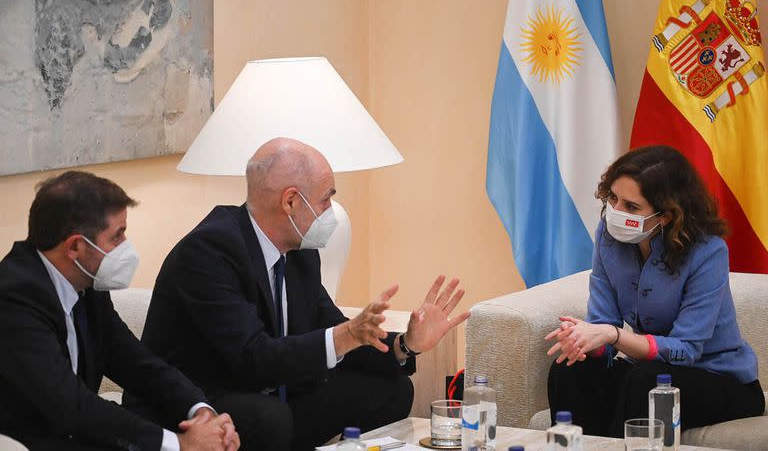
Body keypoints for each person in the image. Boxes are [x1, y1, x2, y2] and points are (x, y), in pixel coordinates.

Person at [135, 137, 470, 451]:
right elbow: (253, 359)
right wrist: (342, 337)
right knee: (270, 417)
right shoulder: (209, 252)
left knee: (391, 389)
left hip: (269, 394)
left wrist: (404, 344)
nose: (330, 209)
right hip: (198, 403)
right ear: (291, 200)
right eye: (326, 198)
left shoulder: (299, 250)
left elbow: (330, 326)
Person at [0, 171, 240, 451]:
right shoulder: (14, 298)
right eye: (117, 236)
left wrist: (199, 411)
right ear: (75, 246)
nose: (126, 246)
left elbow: (134, 361)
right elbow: (70, 404)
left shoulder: (85, 284)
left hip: (79, 433)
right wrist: (180, 443)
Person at [545, 145, 765, 437]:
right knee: (571, 369)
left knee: (648, 381)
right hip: (647, 373)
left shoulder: (708, 252)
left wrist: (614, 335)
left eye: (632, 207)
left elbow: (685, 350)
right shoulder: (608, 237)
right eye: (613, 198)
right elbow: (604, 326)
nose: (616, 212)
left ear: (666, 215)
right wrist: (585, 340)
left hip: (719, 380)